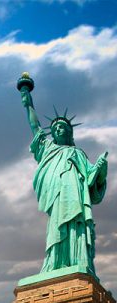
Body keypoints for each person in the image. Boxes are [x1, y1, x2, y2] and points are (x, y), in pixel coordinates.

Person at [20, 77, 108, 276]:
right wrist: (28, 102)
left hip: (76, 197)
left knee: (76, 226)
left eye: (62, 127)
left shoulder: (78, 154)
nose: (58, 129)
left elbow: (93, 182)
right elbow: (35, 127)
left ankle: (79, 261)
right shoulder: (48, 149)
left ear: (69, 133)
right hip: (58, 197)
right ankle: (54, 264)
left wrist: (100, 171)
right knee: (56, 228)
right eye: (55, 128)